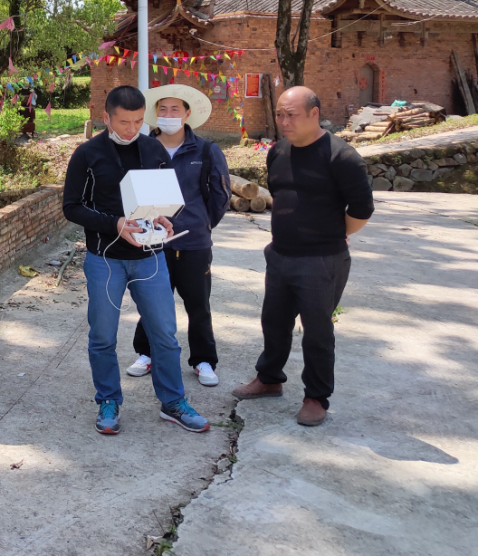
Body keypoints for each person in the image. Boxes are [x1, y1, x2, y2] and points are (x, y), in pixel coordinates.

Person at [63, 85, 210, 435]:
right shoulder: (87, 154)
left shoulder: (153, 148)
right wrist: (114, 223)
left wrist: (162, 217)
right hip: (105, 259)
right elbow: (71, 207)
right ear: (106, 117)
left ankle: (173, 402)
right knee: (103, 336)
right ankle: (108, 400)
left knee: (165, 335)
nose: (131, 130)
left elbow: (163, 197)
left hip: (150, 258)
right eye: (123, 122)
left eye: (138, 122)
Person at [232, 86, 374, 427]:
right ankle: (269, 378)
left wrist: (334, 233)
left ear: (314, 114)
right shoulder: (278, 151)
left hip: (322, 260)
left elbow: (361, 210)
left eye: (291, 115)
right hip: (280, 254)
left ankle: (316, 397)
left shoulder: (342, 157)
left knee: (317, 331)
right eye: (280, 115)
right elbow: (282, 196)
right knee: (274, 322)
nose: (284, 122)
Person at [126, 85, 231, 387]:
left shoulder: (206, 150)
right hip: (153, 242)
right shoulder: (142, 148)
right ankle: (146, 354)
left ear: (187, 114)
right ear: (155, 114)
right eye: (163, 109)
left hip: (194, 243)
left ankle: (203, 360)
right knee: (151, 302)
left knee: (198, 304)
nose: (168, 114)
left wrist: (202, 224)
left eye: (175, 109)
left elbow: (220, 195)